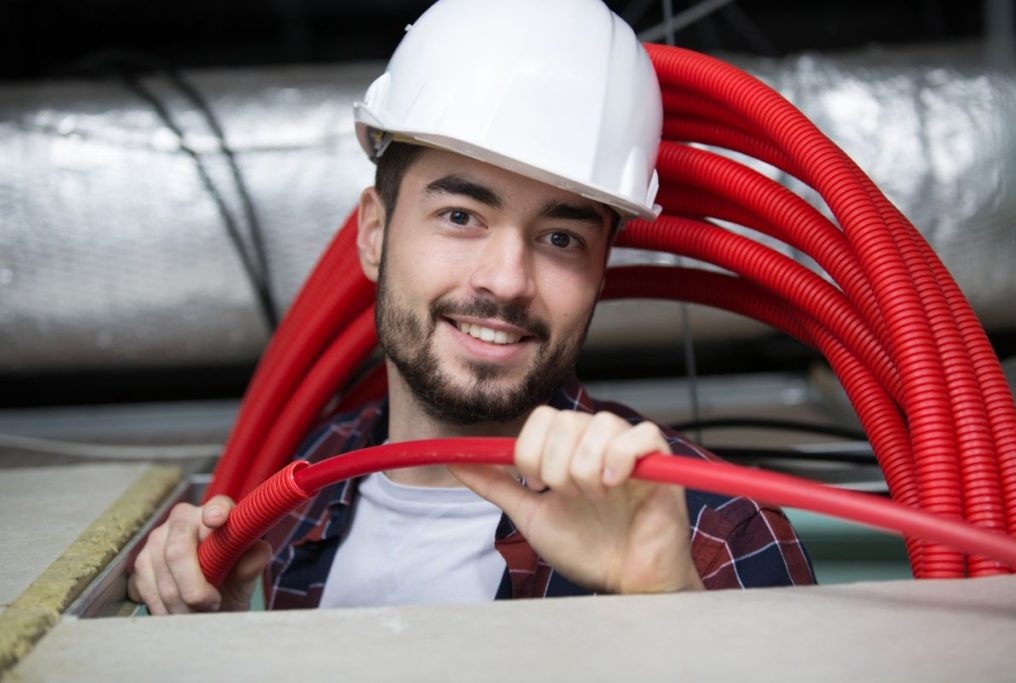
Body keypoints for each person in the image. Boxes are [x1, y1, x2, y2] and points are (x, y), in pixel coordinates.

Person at [128, 0, 815, 615]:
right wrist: (213, 638)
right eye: (460, 214)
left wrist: (668, 610)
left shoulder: (716, 529)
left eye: (559, 237)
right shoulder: (296, 486)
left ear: (601, 270)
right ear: (374, 234)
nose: (507, 279)